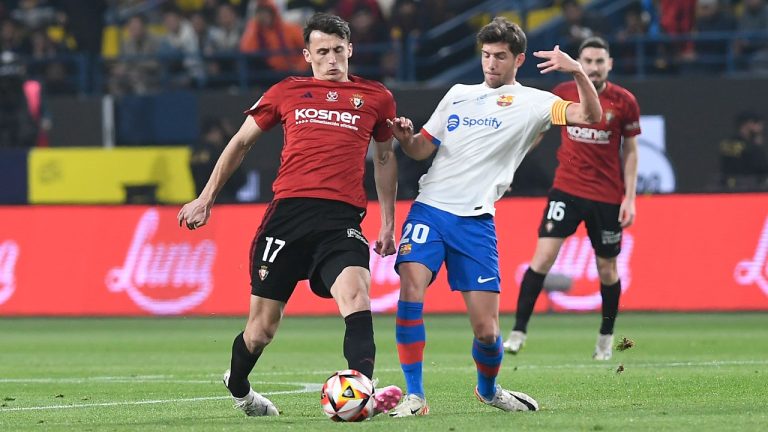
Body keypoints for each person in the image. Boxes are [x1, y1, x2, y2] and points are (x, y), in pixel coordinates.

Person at [177, 12, 402, 417]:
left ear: (349, 49)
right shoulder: (287, 91)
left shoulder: (375, 97)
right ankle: (240, 387)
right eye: (322, 51)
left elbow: (384, 158)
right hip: (287, 218)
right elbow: (240, 143)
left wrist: (387, 223)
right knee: (261, 330)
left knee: (357, 296)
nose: (331, 59)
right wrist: (205, 198)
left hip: (341, 221)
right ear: (307, 54)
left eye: (338, 50)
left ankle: (360, 391)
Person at [385, 17, 602, 417]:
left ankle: (488, 389)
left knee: (487, 331)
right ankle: (415, 396)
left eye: (500, 57)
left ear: (518, 59)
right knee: (410, 290)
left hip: (476, 222)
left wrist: (577, 72)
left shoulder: (535, 102)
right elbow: (421, 150)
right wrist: (405, 139)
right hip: (430, 208)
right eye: (486, 55)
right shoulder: (457, 94)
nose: (491, 63)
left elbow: (590, 116)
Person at [504, 37, 641, 361]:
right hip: (566, 189)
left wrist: (630, 198)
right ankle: (517, 332)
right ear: (578, 62)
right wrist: (509, 166)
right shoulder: (563, 93)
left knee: (607, 269)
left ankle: (605, 340)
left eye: (599, 61)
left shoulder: (624, 101)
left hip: (607, 196)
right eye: (588, 61)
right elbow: (537, 132)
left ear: (609, 64)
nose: (593, 67)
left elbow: (631, 151)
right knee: (542, 259)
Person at [719, 111, 768, 190]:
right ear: (748, 124)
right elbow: (761, 168)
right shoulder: (750, 147)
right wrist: (758, 147)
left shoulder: (727, 143)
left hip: (728, 187)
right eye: (757, 123)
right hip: (746, 188)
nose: (761, 127)